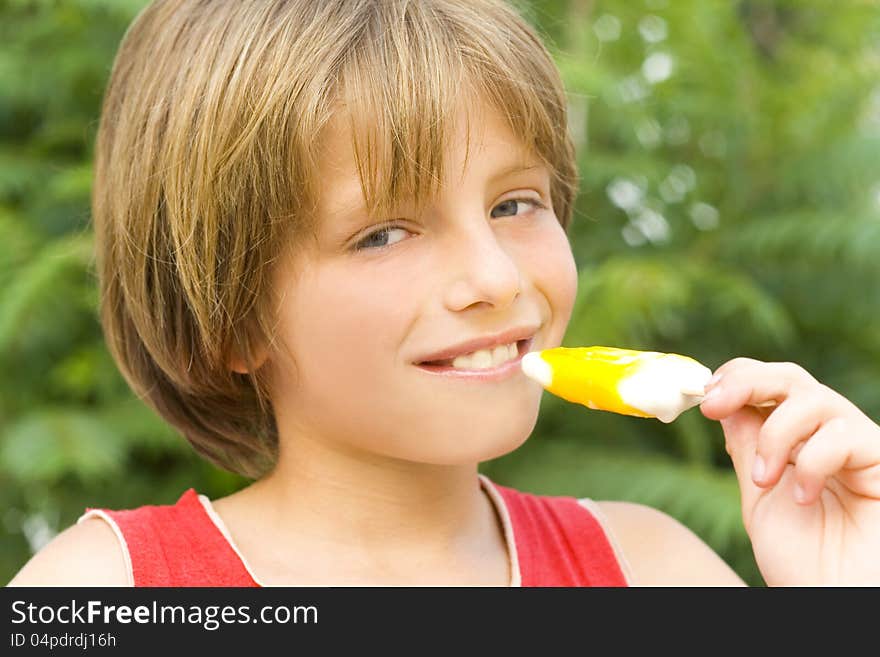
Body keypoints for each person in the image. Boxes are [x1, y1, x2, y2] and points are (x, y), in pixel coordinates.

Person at [8, 0, 880, 587]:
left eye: (515, 203)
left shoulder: (654, 572)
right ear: (228, 319)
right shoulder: (105, 589)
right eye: (383, 232)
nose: (499, 278)